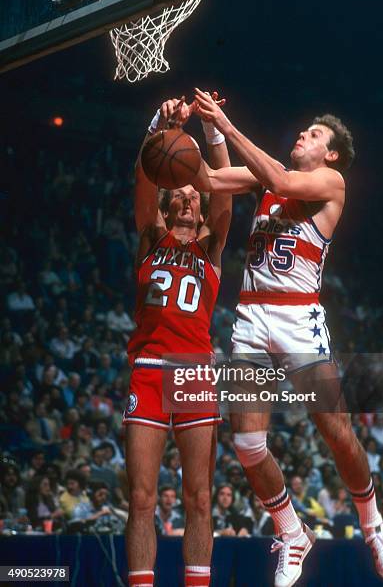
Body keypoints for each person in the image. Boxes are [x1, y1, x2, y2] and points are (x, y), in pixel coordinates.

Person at [192, 89, 383, 586]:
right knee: (246, 443)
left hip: (296, 319)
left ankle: (372, 525)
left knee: (336, 432)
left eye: (314, 133)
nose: (302, 134)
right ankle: (291, 532)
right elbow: (208, 178)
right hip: (250, 317)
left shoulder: (332, 181)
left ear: (329, 153)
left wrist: (229, 121)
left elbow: (283, 179)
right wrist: (207, 130)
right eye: (304, 129)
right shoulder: (266, 178)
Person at [124, 95, 232, 587]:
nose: (189, 197)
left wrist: (211, 134)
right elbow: (144, 180)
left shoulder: (211, 247)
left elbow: (225, 195)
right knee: (142, 499)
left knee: (200, 498)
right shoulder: (151, 236)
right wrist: (159, 127)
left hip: (193, 370)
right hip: (148, 366)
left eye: (195, 193)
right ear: (170, 202)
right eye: (180, 193)